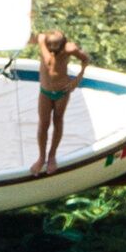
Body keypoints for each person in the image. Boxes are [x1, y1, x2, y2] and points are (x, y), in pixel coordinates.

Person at [33, 30, 88, 171]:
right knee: (43, 124)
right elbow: (47, 60)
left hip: (61, 92)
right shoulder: (42, 41)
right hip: (45, 92)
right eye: (49, 45)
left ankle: (52, 156)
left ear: (62, 43)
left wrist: (77, 80)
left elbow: (86, 60)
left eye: (55, 46)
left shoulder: (69, 49)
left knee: (58, 120)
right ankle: (41, 157)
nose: (51, 49)